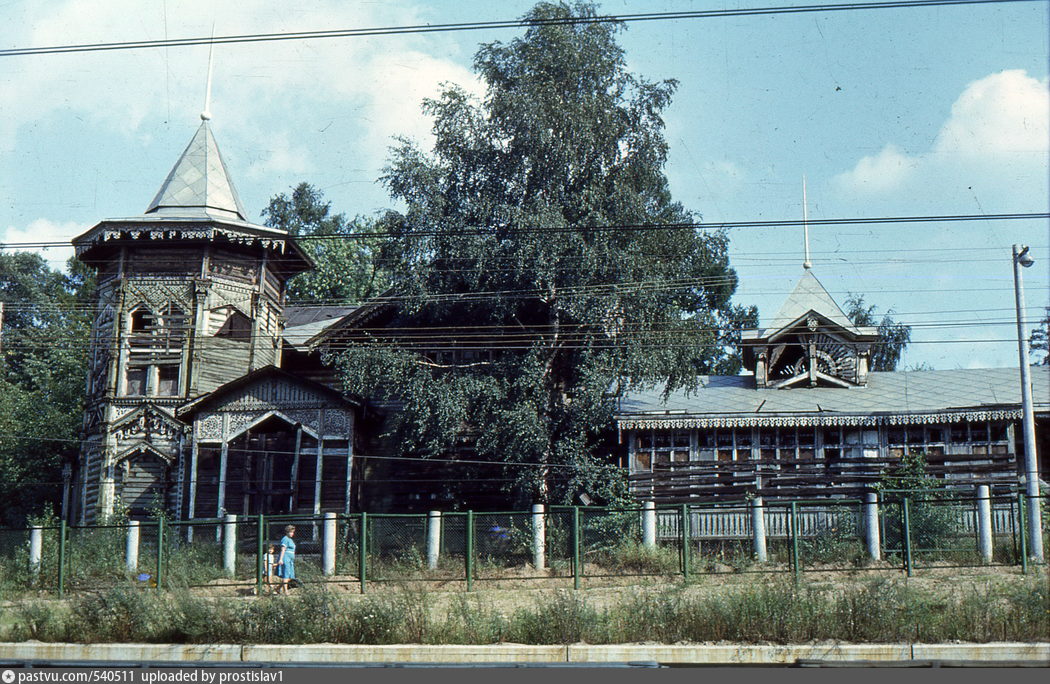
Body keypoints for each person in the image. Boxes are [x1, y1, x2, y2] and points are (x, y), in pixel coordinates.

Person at [275, 525, 296, 594]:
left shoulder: (290, 540)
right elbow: (283, 549)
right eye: (291, 532)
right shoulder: (285, 539)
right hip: (285, 558)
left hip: (291, 559)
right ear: (287, 532)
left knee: (290, 576)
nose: (292, 533)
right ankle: (285, 591)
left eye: (293, 532)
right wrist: (280, 559)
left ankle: (278, 588)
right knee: (286, 575)